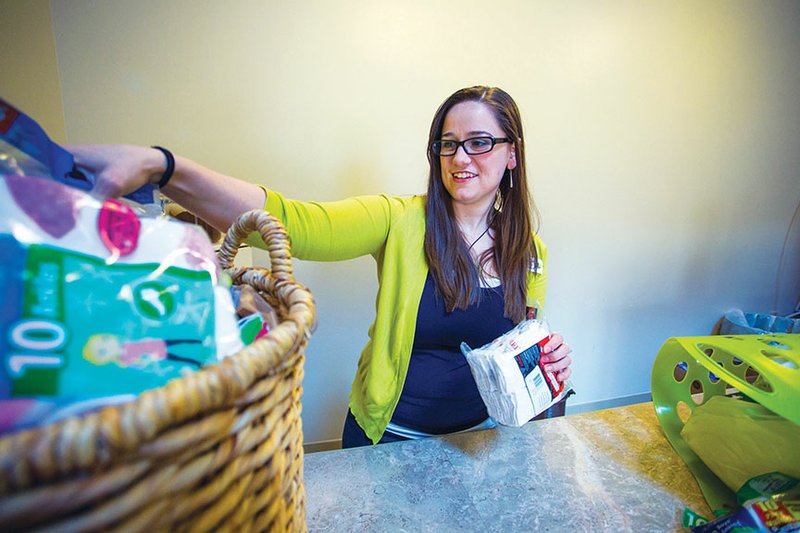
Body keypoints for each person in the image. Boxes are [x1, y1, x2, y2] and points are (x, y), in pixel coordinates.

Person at [69, 85, 573, 447]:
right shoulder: (398, 219)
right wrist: (165, 168)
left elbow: (515, 346)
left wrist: (544, 368)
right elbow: (291, 221)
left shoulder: (528, 250)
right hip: (392, 439)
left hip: (480, 442)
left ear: (512, 154)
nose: (460, 156)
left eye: (479, 141)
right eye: (447, 143)